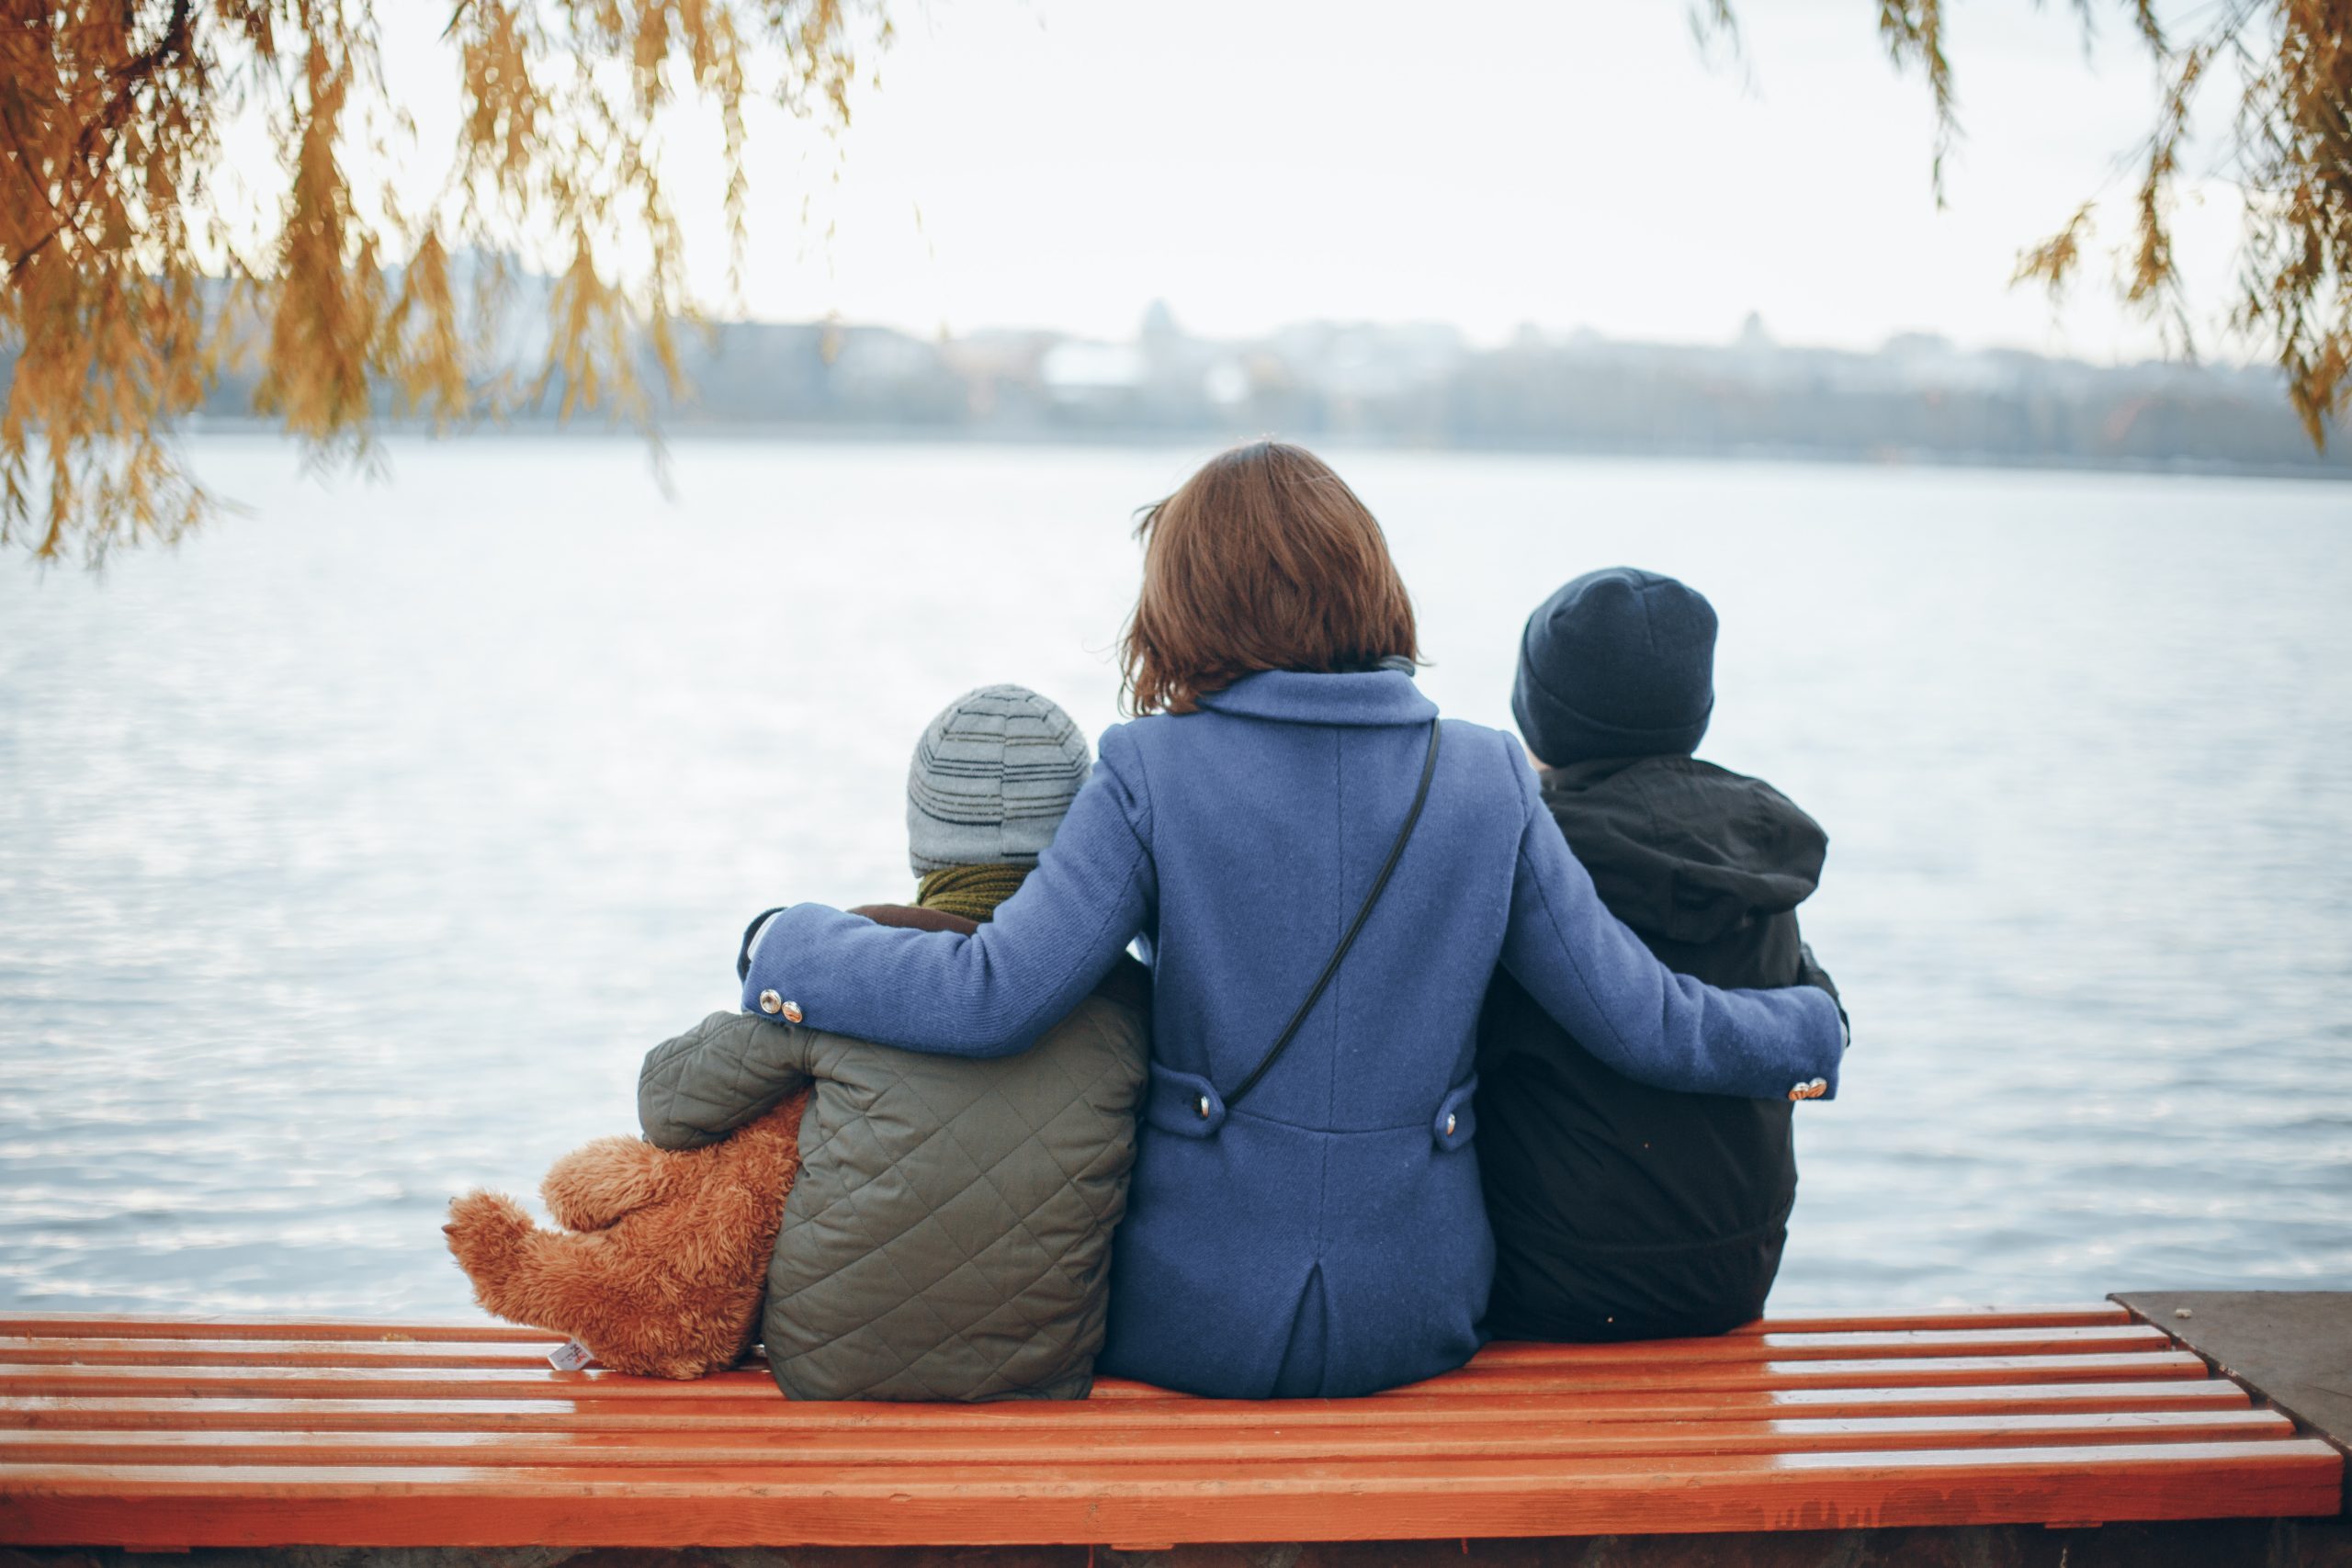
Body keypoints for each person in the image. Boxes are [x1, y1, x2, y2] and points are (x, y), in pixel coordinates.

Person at [734, 442, 1846, 1399]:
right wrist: (1811, 1032)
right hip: (1419, 1313)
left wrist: (785, 946)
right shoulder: (1488, 777)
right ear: (1369, 579)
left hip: (1191, 1313)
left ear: (1188, 602)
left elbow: (993, 999)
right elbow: (1644, 1022)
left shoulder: (1148, 770)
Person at [638, 685, 1150, 1400]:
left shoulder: (853, 970)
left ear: (922, 837)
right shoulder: (1129, 1003)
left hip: (822, 1366)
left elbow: (666, 1102)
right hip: (1044, 1375)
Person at [1477, 569, 1845, 1344]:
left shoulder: (1529, 863)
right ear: (1695, 709)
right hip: (1738, 1273)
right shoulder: (1755, 857)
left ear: (1535, 713)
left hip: (1551, 1283)